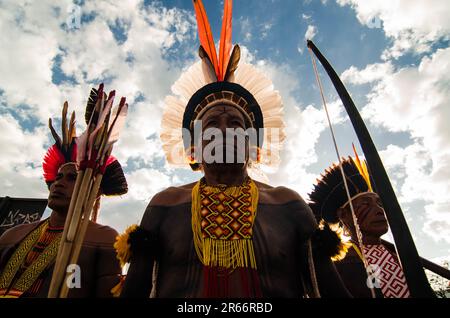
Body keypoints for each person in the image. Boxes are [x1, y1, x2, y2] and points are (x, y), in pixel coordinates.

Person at [118, 0, 350, 298]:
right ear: (195, 145)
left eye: (236, 123)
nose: (225, 129)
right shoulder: (165, 204)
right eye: (212, 123)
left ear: (252, 144)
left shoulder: (287, 204)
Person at [0, 93, 128, 298]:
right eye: (58, 177)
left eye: (72, 178)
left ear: (93, 193)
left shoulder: (104, 238)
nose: (59, 183)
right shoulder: (12, 235)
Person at [308, 156, 410, 298]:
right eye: (365, 204)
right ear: (343, 215)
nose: (379, 210)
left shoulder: (400, 256)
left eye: (379, 203)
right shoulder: (339, 264)